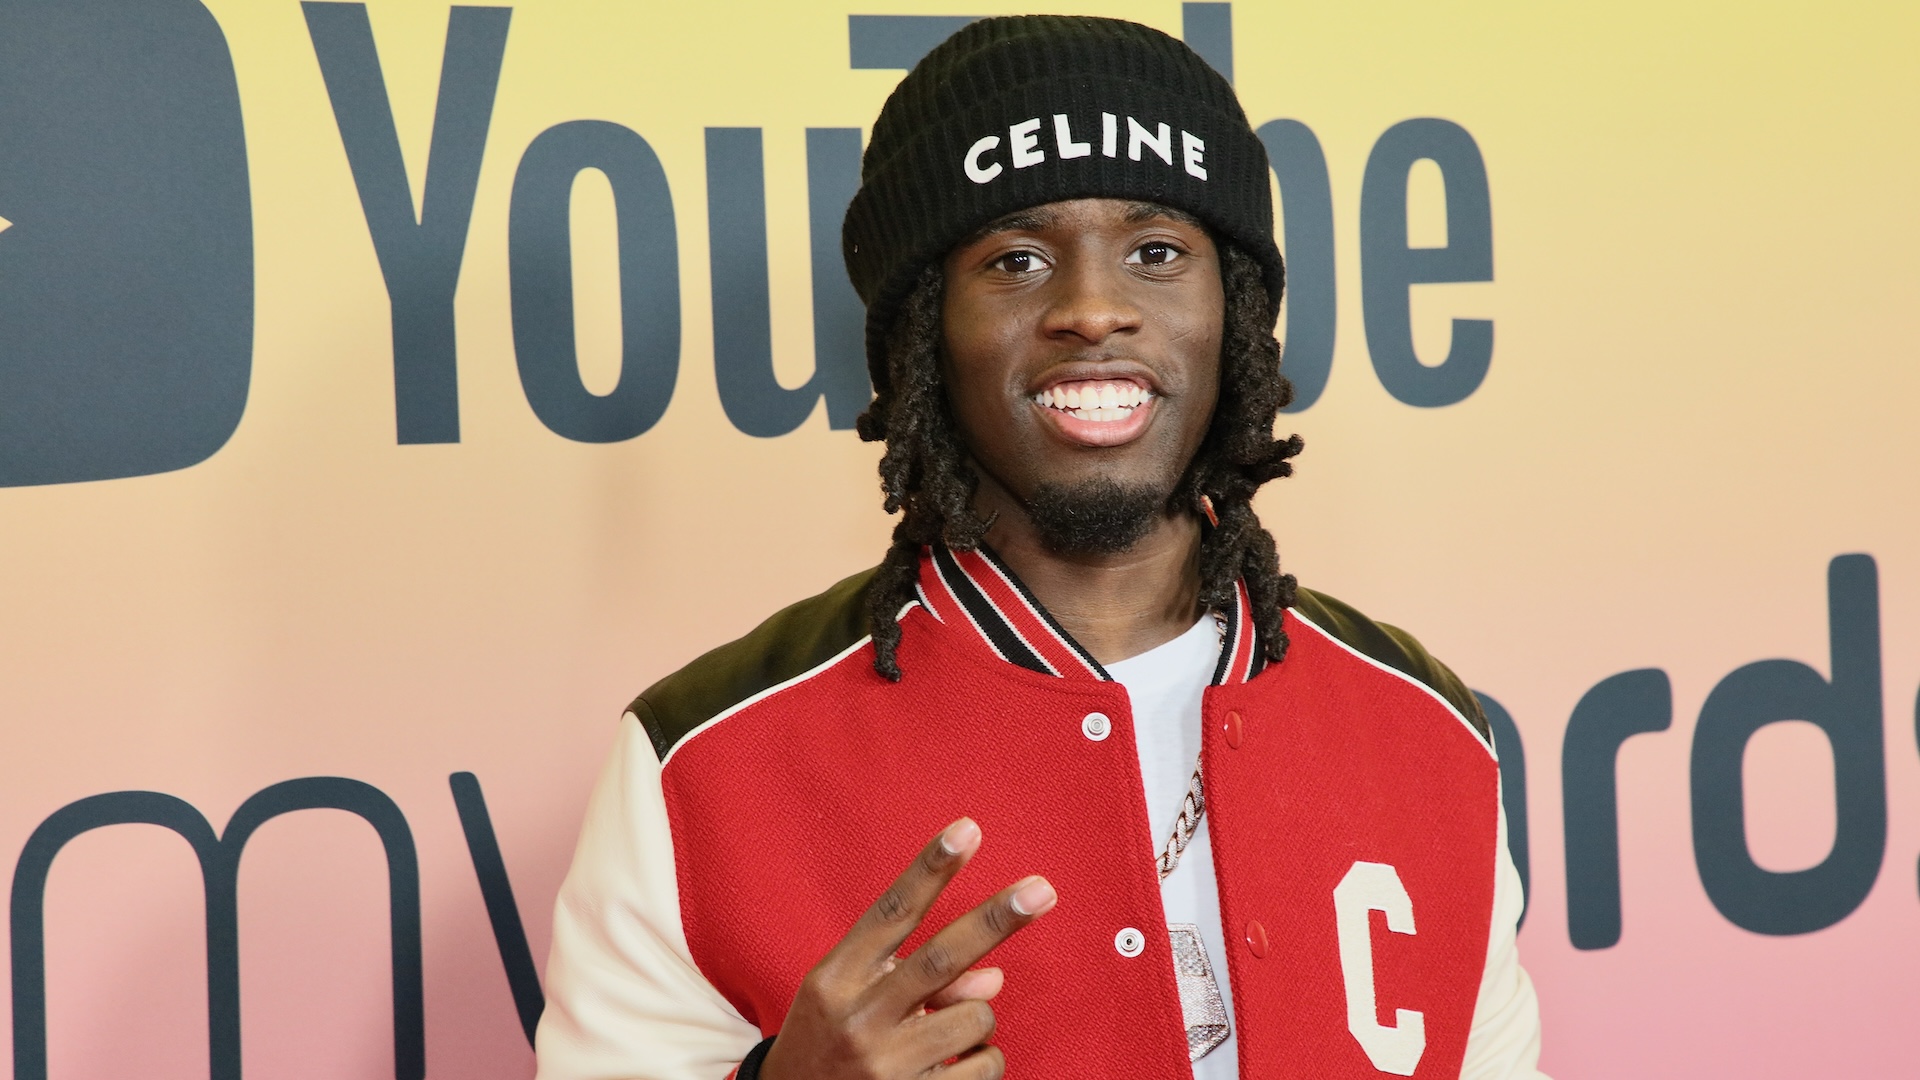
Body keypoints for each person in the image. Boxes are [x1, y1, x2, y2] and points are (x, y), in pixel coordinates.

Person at [534, 15, 1544, 1080]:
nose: (1094, 310)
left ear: (1236, 308)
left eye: (1157, 253)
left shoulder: (1428, 728)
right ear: (925, 334)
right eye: (1015, 260)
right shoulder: (702, 764)